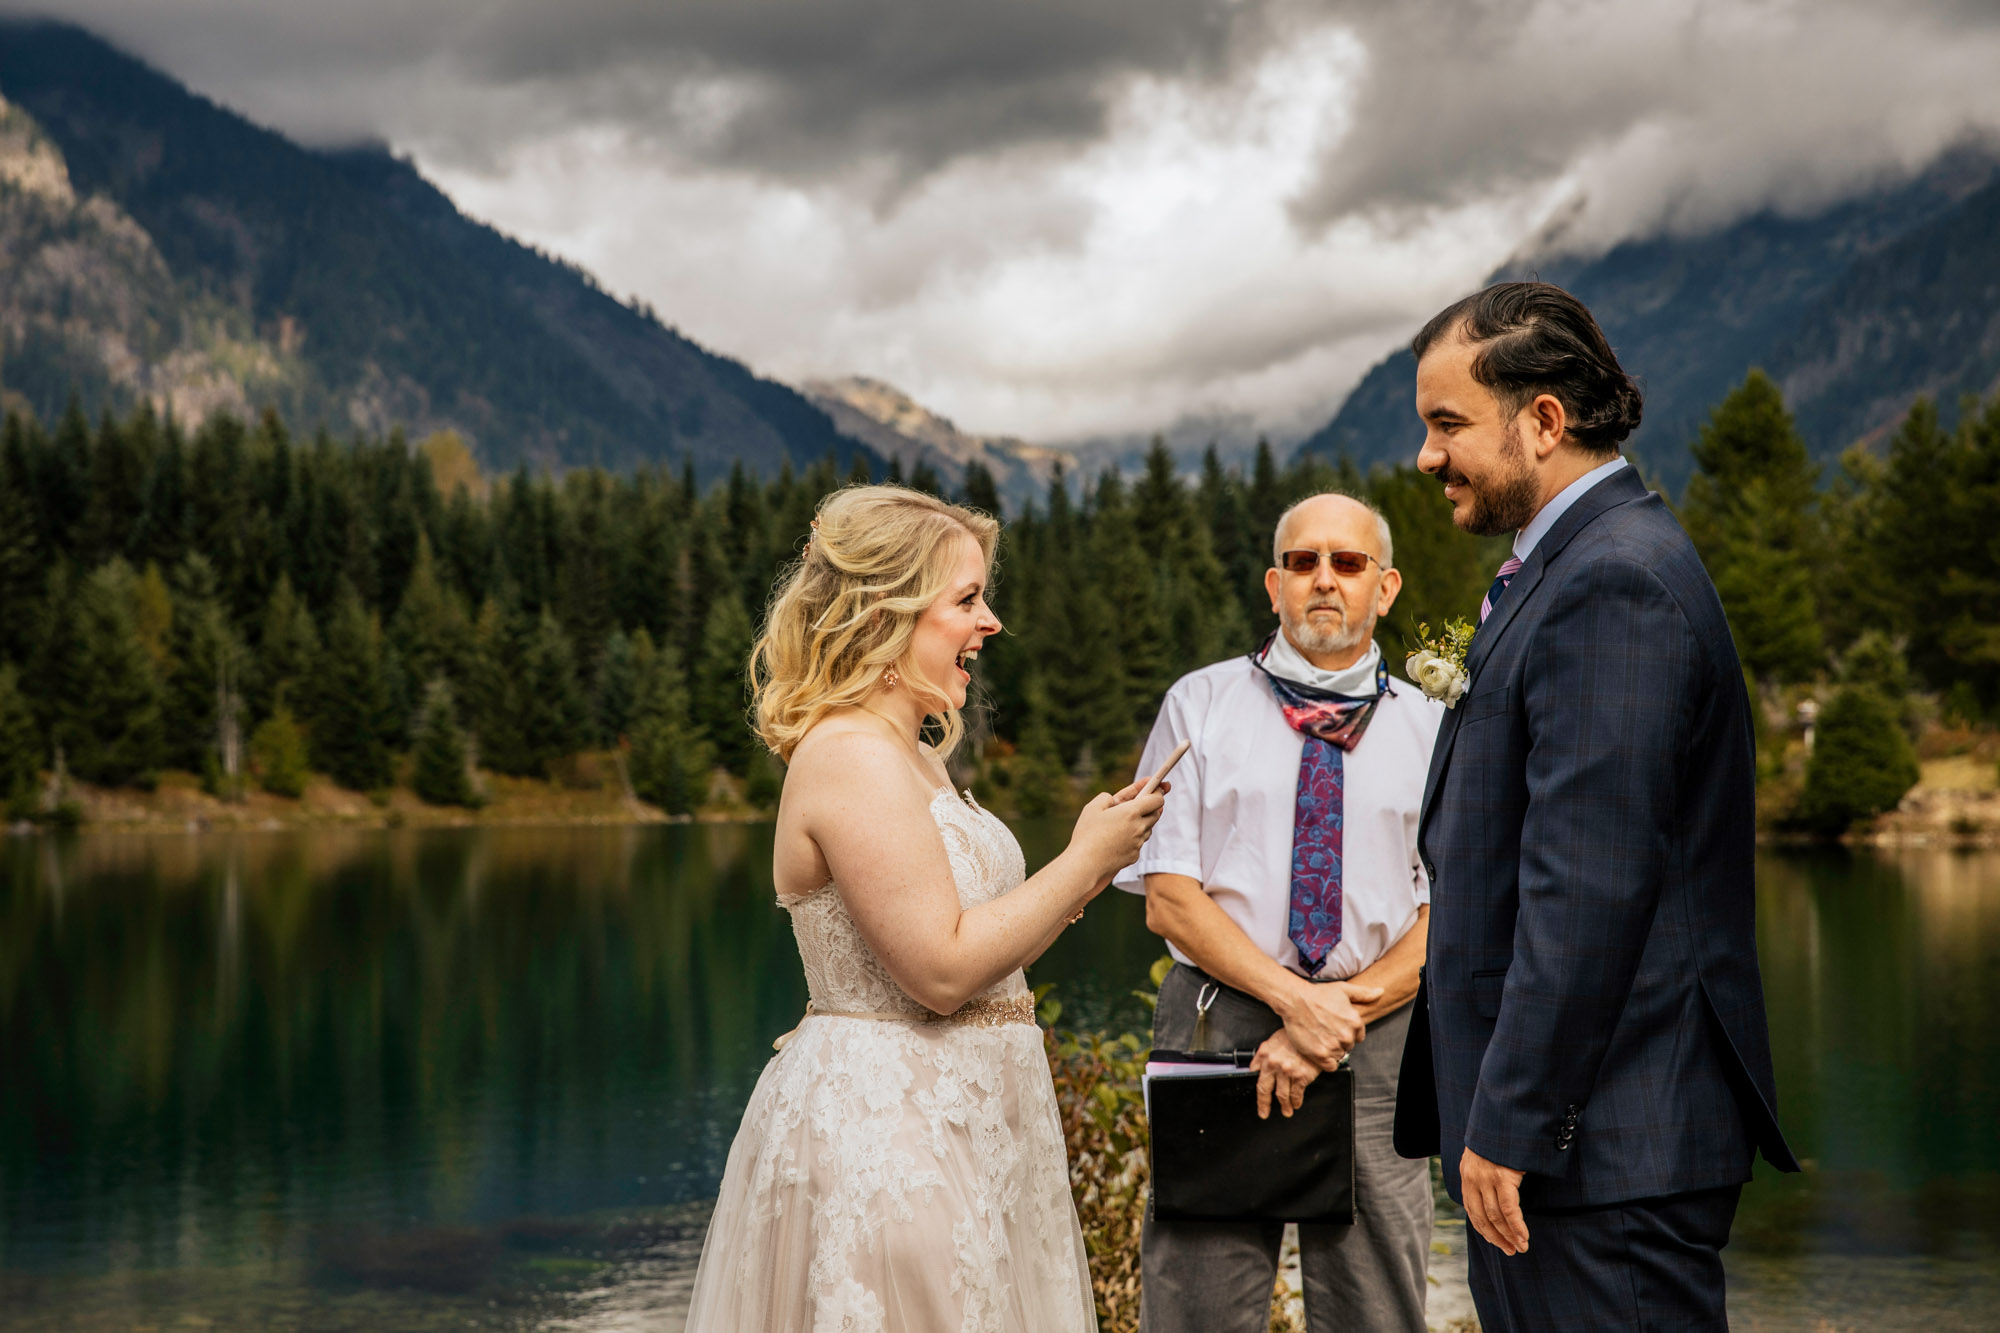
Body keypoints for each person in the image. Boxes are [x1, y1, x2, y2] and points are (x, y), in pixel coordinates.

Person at [1397, 281, 1800, 1330]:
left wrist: (1515, 1119)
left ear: (1541, 420)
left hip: (1598, 1146)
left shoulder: (1611, 580)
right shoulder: (1581, 563)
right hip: (1587, 1140)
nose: (1426, 456)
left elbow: (1587, 884)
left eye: (1446, 424)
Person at [682, 484, 1165, 1333]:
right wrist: (1082, 857)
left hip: (970, 1128)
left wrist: (1091, 871)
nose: (992, 623)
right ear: (886, 613)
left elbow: (985, 946)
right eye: (968, 599)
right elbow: (940, 970)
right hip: (891, 1142)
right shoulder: (850, 755)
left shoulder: (915, 755)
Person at [1119, 493, 1444, 1333]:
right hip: (1218, 1028)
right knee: (1199, 1310)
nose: (1324, 579)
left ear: (1387, 587)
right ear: (1274, 584)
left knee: (1380, 1311)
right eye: (1303, 562)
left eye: (1347, 562)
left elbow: (1450, 914)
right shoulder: (1199, 706)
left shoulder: (1436, 726)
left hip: (1382, 1043)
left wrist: (1330, 1016)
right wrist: (1297, 1003)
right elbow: (1171, 898)